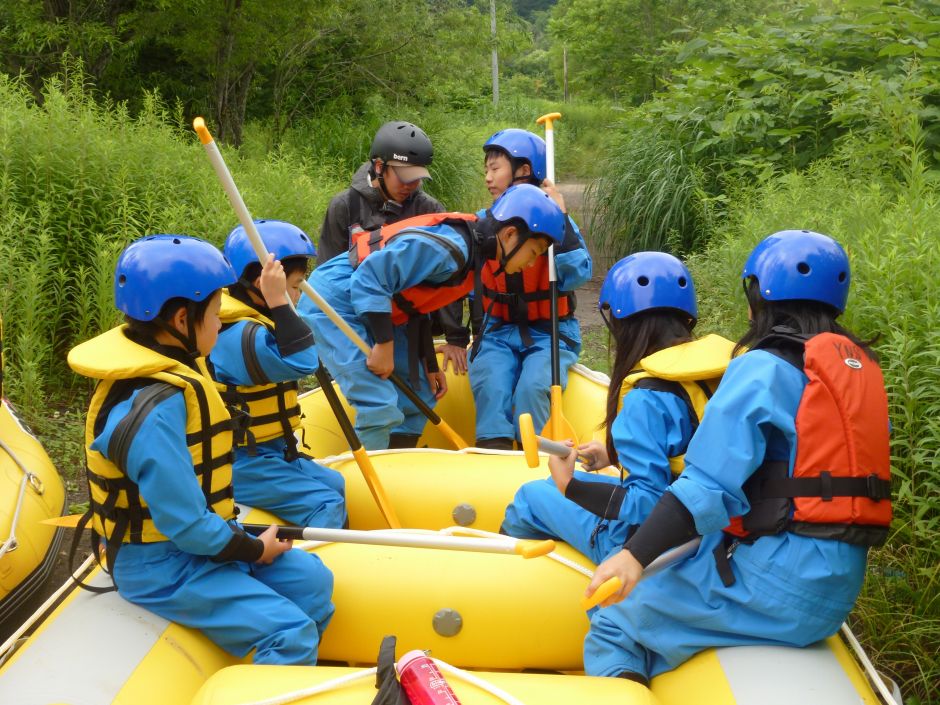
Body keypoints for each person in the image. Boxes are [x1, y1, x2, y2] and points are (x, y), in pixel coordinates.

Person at [581, 230, 891, 685]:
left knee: (613, 623)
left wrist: (633, 556)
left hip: (776, 584)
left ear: (757, 296)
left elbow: (707, 487)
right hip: (838, 589)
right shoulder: (860, 372)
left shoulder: (761, 367)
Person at [67, 234, 334, 665]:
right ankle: (281, 667)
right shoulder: (154, 413)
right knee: (290, 633)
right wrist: (253, 550)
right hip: (158, 565)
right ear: (180, 320)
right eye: (214, 314)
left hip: (200, 542)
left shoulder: (179, 366)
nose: (220, 324)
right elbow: (185, 523)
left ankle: (293, 673)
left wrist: (242, 542)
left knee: (312, 581)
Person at [501, 252, 733, 563]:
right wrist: (615, 456)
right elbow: (687, 450)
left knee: (530, 497)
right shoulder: (716, 374)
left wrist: (569, 486)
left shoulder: (646, 397)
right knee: (552, 486)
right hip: (711, 529)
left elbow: (646, 504)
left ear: (620, 322)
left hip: (653, 546)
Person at [299, 183, 566, 450]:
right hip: (335, 302)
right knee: (378, 405)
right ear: (509, 234)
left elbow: (416, 303)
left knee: (422, 391)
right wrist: (383, 344)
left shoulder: (479, 250)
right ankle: (369, 471)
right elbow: (370, 277)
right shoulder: (452, 248)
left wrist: (428, 362)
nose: (532, 263)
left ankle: (398, 456)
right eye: (534, 252)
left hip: (377, 306)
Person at [209, 219, 347, 529]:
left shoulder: (258, 322)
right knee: (327, 504)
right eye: (295, 287)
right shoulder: (238, 336)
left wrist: (279, 301)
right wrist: (279, 302)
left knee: (336, 484)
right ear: (264, 285)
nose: (297, 296)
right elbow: (304, 362)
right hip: (240, 461)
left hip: (273, 450)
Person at [469, 128, 593, 449]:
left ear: (524, 171)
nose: (488, 177)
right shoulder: (485, 224)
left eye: (495, 169)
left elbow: (578, 273)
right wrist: (457, 338)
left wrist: (561, 218)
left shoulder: (554, 221)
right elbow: (466, 283)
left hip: (550, 333)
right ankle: (494, 450)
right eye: (486, 170)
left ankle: (533, 454)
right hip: (497, 329)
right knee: (491, 383)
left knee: (533, 388)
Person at [317, 120, 471, 373]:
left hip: (409, 322)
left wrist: (455, 338)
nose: (411, 185)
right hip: (358, 320)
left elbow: (447, 278)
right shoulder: (344, 207)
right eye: (404, 177)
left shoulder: (428, 209)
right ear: (380, 167)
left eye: (417, 178)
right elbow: (326, 276)